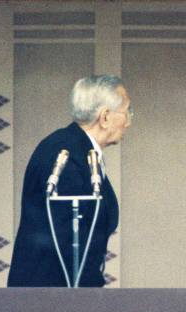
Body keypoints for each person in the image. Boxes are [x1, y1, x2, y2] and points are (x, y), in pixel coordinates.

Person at [8, 75, 132, 287]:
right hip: (51, 297)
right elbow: (69, 242)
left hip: (63, 294)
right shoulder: (65, 154)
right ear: (104, 117)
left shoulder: (80, 150)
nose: (129, 121)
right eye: (127, 111)